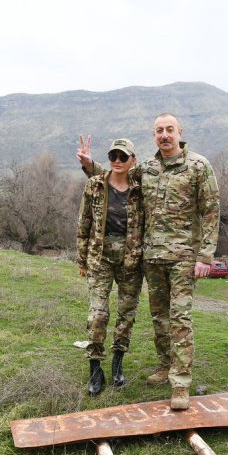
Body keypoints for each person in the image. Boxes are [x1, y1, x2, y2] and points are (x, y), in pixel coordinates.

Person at [77, 114, 219, 409]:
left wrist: (205, 255)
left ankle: (180, 384)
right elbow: (117, 175)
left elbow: (211, 210)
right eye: (159, 131)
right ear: (154, 136)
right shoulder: (147, 169)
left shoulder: (198, 166)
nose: (165, 135)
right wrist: (90, 166)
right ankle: (167, 366)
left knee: (180, 319)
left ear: (180, 132)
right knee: (160, 319)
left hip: (182, 258)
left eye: (170, 130)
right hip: (151, 258)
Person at [76, 138, 144, 396]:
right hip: (100, 258)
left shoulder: (139, 188)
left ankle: (118, 363)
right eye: (113, 156)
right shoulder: (95, 185)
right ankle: (95, 368)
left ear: (132, 161)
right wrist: (82, 259)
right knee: (98, 315)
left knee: (126, 314)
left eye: (123, 157)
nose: (117, 160)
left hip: (130, 261)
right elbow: (83, 224)